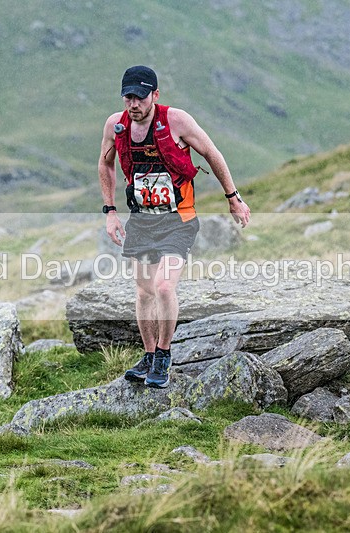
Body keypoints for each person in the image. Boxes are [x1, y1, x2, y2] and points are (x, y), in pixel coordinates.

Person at [98, 65, 250, 388]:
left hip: (178, 218)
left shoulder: (176, 121)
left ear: (155, 94)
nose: (133, 105)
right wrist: (110, 211)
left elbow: (210, 152)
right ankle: (150, 355)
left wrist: (233, 197)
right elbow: (105, 163)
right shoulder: (116, 126)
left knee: (164, 286)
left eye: (139, 97)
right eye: (128, 98)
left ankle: (165, 355)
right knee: (143, 291)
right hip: (141, 219)